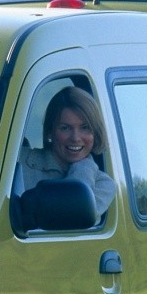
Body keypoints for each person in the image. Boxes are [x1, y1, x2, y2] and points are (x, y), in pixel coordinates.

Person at [19, 86, 117, 221]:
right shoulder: (17, 162)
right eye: (65, 128)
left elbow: (72, 215)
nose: (75, 138)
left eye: (85, 128)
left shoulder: (104, 184)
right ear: (50, 131)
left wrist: (84, 167)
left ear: (95, 132)